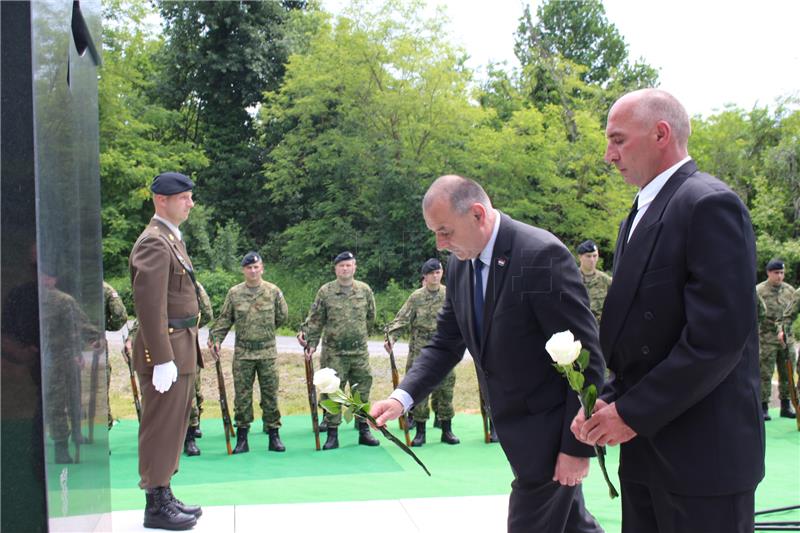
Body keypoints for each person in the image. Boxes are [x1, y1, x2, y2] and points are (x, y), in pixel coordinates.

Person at [572, 89, 764, 533]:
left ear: (661, 133)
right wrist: (607, 400)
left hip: (703, 459)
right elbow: (645, 335)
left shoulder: (708, 203)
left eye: (618, 139)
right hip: (648, 450)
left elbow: (717, 340)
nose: (608, 155)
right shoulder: (641, 209)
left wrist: (631, 413)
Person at [370, 176, 605, 533]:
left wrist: (576, 447)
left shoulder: (539, 255)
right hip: (515, 427)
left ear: (478, 214)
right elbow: (447, 341)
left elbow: (586, 357)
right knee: (573, 526)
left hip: (549, 431)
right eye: (435, 232)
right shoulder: (461, 262)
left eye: (445, 231)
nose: (440, 243)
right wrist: (402, 397)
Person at [129, 172, 203, 531]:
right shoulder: (154, 243)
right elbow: (150, 305)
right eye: (184, 197)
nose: (190, 203)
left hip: (181, 346)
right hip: (167, 350)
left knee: (175, 425)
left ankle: (165, 491)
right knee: (161, 426)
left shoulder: (171, 238)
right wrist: (160, 357)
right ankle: (155, 504)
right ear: (162, 200)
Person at [298, 251, 380, 450]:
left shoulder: (365, 290)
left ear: (355, 267)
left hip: (359, 352)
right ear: (336, 269)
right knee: (331, 392)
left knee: (361, 390)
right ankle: (332, 434)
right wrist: (309, 341)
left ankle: (364, 430)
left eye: (349, 265)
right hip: (334, 353)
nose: (345, 269)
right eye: (342, 265)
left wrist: (356, 336)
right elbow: (316, 320)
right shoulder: (326, 292)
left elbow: (371, 317)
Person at [209, 252, 288, 454]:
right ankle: (243, 438)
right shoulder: (235, 293)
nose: (253, 271)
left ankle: (274, 435)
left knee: (270, 394)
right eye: (249, 268)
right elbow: (225, 319)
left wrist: (264, 333)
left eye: (256, 267)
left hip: (267, 352)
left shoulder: (273, 291)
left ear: (262, 268)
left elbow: (282, 317)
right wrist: (216, 339)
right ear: (243, 270)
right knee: (242, 396)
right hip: (243, 353)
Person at [385, 258, 459, 447]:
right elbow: (401, 320)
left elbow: (462, 317)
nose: (436, 276)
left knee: (446, 391)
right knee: (419, 393)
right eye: (432, 273)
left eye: (438, 272)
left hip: (446, 351)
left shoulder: (450, 294)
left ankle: (447, 429)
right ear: (425, 276)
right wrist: (391, 339)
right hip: (421, 352)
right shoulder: (416, 297)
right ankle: (420, 431)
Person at [756, 259, 796, 419]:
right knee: (765, 372)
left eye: (781, 273)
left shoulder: (790, 290)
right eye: (776, 273)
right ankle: (763, 407)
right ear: (768, 273)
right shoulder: (759, 290)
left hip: (786, 338)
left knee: (787, 372)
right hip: (767, 338)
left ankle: (786, 407)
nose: (779, 276)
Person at [185, 281, 214, 455]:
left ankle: (190, 437)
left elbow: (207, 312)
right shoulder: (156, 283)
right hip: (161, 343)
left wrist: (189, 327)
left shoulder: (191, 284)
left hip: (185, 342)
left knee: (190, 394)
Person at [104, 281, 128, 428]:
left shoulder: (65, 285)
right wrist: (104, 326)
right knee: (100, 391)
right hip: (95, 344)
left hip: (67, 347)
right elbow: (120, 316)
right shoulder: (105, 289)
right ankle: (103, 434)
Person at [575, 240, 612, 323]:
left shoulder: (605, 280)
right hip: (577, 327)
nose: (592, 260)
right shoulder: (572, 279)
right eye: (588, 256)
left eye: (594, 256)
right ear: (580, 257)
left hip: (599, 329)